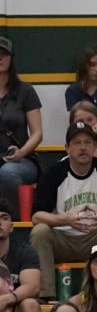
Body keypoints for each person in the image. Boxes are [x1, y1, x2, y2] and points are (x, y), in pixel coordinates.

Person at [33, 122, 97, 291]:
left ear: (95, 146)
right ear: (67, 148)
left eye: (87, 142)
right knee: (40, 232)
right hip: (64, 239)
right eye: (77, 143)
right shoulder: (54, 173)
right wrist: (66, 219)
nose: (83, 147)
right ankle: (46, 294)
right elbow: (37, 217)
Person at [0, 36, 42, 207]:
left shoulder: (26, 91)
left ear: (11, 59)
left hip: (21, 159)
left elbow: (37, 133)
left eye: (4, 54)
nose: (0, 58)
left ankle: (12, 223)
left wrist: (22, 152)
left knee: (7, 173)